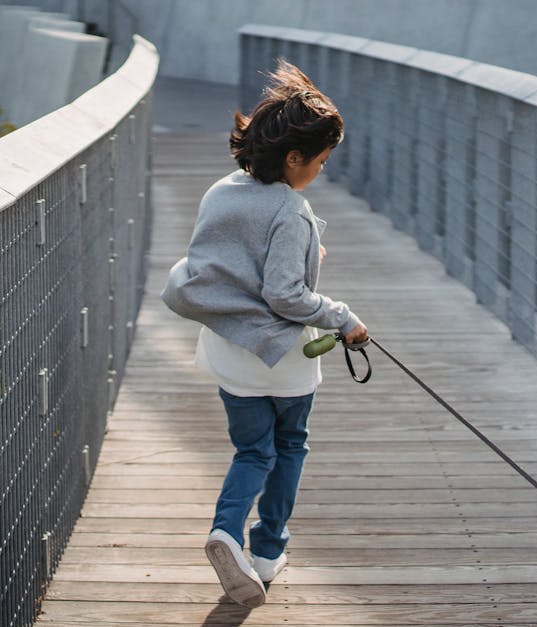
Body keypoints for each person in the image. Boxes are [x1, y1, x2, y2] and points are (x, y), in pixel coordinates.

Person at [161, 58, 368, 608]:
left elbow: (233, 259)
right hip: (285, 361)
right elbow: (286, 296)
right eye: (320, 161)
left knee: (252, 451)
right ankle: (269, 549)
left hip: (231, 354)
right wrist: (343, 318)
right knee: (289, 445)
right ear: (294, 158)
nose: (321, 170)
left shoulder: (220, 191)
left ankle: (225, 530)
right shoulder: (291, 210)